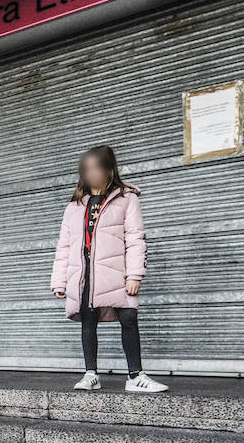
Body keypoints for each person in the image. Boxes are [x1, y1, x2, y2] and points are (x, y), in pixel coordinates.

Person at [50, 145, 169, 393]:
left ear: (109, 168)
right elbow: (64, 245)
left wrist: (135, 275)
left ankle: (135, 376)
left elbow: (136, 238)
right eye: (87, 168)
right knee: (88, 321)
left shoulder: (126, 199)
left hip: (116, 271)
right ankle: (91, 374)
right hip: (83, 275)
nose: (92, 172)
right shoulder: (74, 206)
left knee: (128, 318)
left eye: (97, 167)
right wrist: (59, 281)